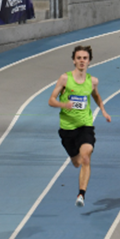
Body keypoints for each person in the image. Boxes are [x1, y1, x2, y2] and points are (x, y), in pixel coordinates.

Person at [48, 45, 111, 208]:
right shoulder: (65, 79)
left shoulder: (93, 81)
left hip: (85, 126)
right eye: (79, 58)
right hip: (67, 129)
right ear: (74, 61)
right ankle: (76, 161)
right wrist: (64, 104)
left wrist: (103, 110)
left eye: (85, 58)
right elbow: (51, 100)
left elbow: (96, 96)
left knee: (85, 158)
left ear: (89, 61)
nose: (82, 61)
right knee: (76, 162)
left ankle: (81, 195)